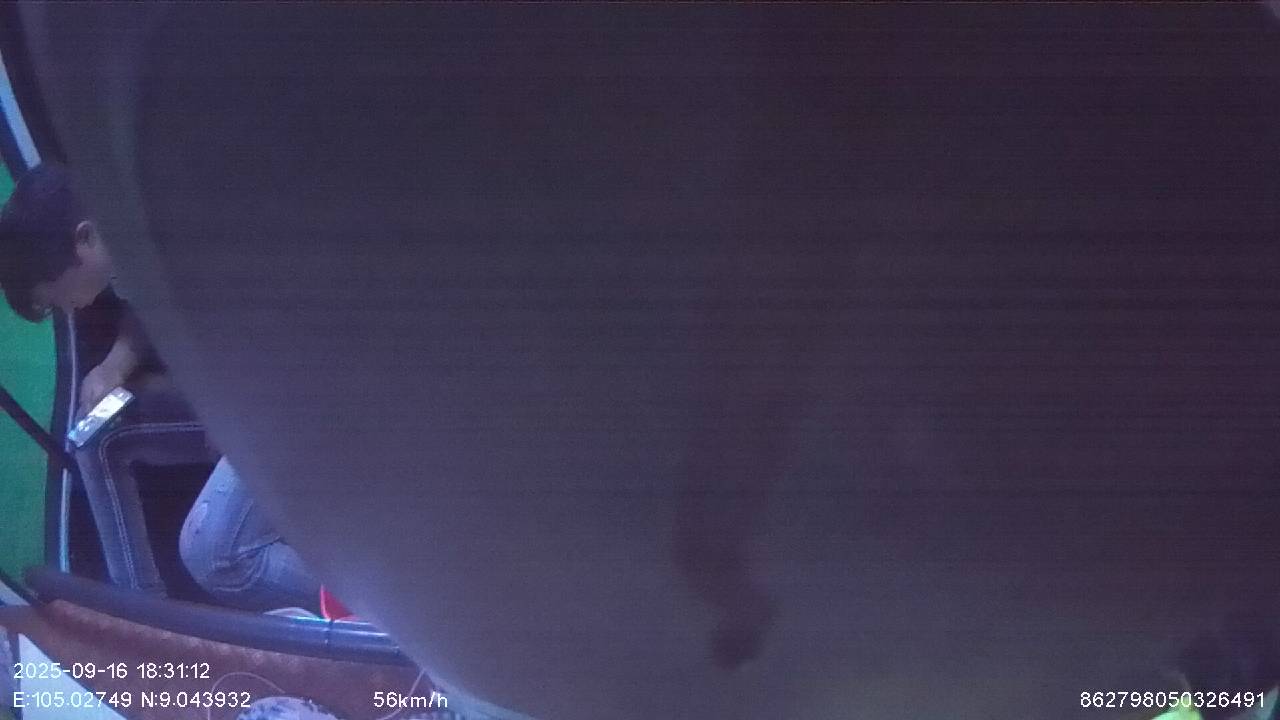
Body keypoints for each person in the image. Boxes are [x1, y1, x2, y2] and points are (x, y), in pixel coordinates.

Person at [0, 161, 319, 611]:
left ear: (84, 238)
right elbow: (146, 307)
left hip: (307, 387)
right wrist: (114, 366)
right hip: (239, 391)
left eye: (56, 298)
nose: (68, 310)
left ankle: (390, 608)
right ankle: (143, 610)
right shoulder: (123, 247)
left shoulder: (189, 222)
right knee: (98, 436)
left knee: (214, 556)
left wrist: (227, 404)